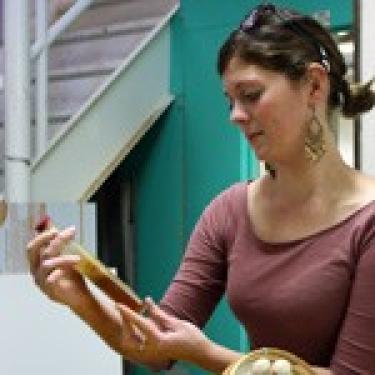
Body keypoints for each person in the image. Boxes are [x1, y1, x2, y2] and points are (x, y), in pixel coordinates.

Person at [27, 3, 375, 374]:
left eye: (251, 95)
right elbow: (156, 344)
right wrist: (81, 300)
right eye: (230, 101)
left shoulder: (366, 223)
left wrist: (207, 353)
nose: (235, 115)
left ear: (314, 85)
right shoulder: (230, 212)